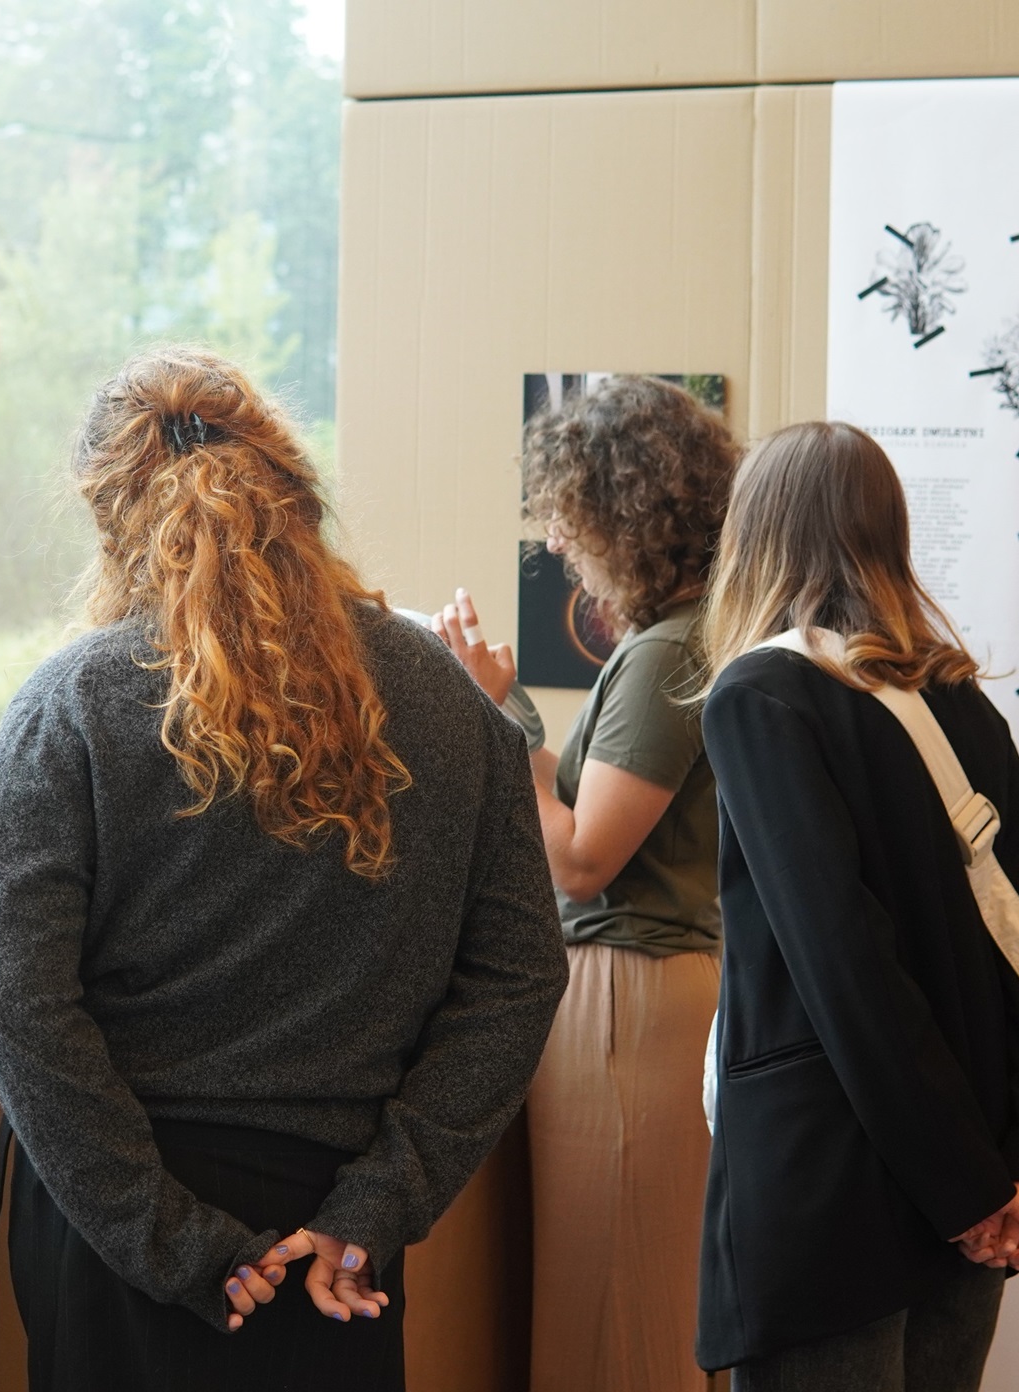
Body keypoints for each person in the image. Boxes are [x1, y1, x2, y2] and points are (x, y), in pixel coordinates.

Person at [0, 346, 569, 1392]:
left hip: (126, 1237)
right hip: (335, 1243)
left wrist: (171, 1241)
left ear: (112, 516)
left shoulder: (68, 710)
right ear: (294, 489)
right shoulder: (442, 699)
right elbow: (520, 971)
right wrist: (376, 1206)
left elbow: (25, 1011)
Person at [697, 421, 1019, 1390]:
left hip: (839, 1190)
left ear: (755, 534)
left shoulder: (758, 697)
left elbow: (842, 967)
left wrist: (966, 1193)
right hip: (986, 1177)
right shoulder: (955, 698)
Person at [436, 375, 739, 1392]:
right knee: (621, 1299)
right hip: (639, 993)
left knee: (617, 1308)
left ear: (626, 514)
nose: (557, 546)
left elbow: (577, 857)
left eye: (568, 520)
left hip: (624, 994)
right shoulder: (677, 639)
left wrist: (498, 715)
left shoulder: (663, 656)